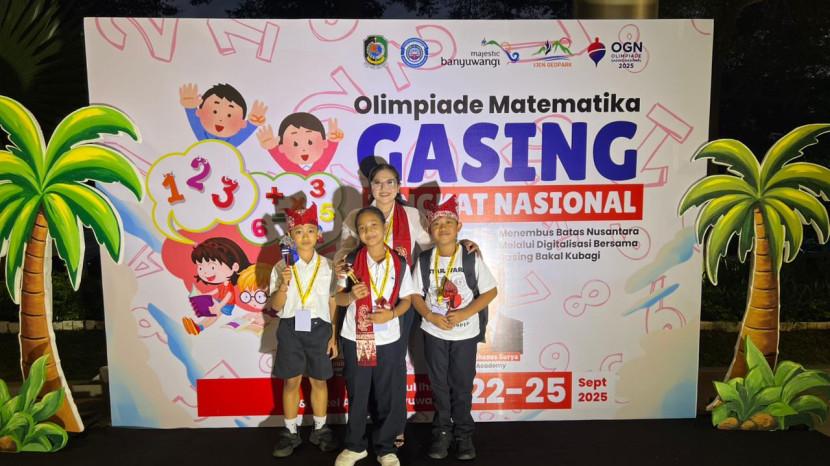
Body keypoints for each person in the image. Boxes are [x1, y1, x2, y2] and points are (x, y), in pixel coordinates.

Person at [335, 162, 477, 448]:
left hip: (401, 300)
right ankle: (368, 425)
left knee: (393, 364)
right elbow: (344, 250)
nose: (384, 188)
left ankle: (393, 427)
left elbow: (433, 245)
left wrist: (462, 244)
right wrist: (342, 261)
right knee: (365, 364)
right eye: (378, 182)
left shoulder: (411, 215)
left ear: (398, 186)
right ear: (370, 186)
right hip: (363, 300)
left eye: (390, 182)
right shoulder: (355, 216)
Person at [411, 195, 498, 461]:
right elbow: (414, 295)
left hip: (465, 333)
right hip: (434, 332)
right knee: (438, 385)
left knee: (461, 385)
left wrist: (463, 314)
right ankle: (442, 432)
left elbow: (490, 291)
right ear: (429, 230)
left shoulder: (470, 256)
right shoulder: (425, 260)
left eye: (449, 222)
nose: (443, 228)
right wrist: (430, 315)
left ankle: (463, 434)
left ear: (458, 227)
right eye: (437, 224)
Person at [334, 206, 415, 466]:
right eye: (362, 228)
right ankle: (355, 446)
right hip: (357, 336)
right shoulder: (348, 262)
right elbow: (337, 298)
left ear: (384, 227)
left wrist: (391, 315)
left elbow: (407, 300)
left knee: (387, 394)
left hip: (388, 338)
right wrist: (350, 296)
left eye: (373, 225)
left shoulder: (399, 263)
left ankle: (386, 448)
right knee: (358, 392)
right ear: (357, 233)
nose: (368, 231)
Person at [269, 204, 339, 457]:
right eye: (299, 231)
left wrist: (333, 335)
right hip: (290, 328)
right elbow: (275, 306)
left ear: (318, 234)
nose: (305, 236)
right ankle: (290, 432)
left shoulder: (329, 266)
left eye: (310, 230)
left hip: (320, 328)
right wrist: (283, 286)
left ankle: (320, 429)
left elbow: (333, 301)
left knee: (319, 380)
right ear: (290, 236)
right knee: (291, 381)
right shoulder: (281, 267)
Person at [182, 237, 251, 335]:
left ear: (234, 266)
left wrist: (219, 306)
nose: (205, 272)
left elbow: (228, 296)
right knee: (211, 312)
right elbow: (216, 291)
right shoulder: (222, 284)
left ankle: (199, 327)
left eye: (212, 267)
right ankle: (198, 326)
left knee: (214, 315)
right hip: (220, 302)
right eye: (200, 267)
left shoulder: (228, 285)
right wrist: (205, 294)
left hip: (226, 305)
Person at [179, 82, 267, 145]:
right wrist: (190, 108)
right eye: (215, 111)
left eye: (229, 115)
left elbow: (239, 137)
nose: (220, 119)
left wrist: (253, 124)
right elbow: (196, 125)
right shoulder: (202, 136)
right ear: (199, 112)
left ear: (242, 123)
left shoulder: (230, 143)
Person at [256, 112, 343, 174]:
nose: (303, 149)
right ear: (282, 148)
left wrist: (334, 140)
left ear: (324, 143)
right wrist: (271, 147)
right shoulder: (289, 165)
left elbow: (328, 151)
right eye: (295, 144)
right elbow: (282, 159)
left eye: (310, 142)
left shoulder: (323, 159)